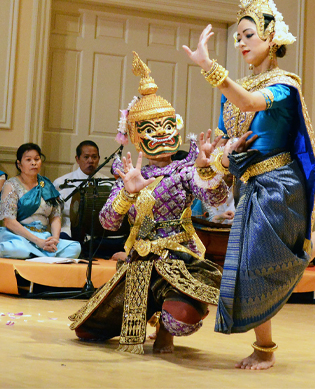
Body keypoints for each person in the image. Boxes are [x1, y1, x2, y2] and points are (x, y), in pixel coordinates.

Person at [182, 0, 315, 370]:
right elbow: (230, 145)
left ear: (271, 38)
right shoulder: (235, 97)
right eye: (238, 37)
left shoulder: (284, 85)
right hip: (251, 185)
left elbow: (248, 103)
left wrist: (208, 68)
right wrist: (213, 155)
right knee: (258, 266)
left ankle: (264, 348)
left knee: (267, 266)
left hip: (281, 185)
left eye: (249, 35)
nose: (241, 43)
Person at [69, 53, 229, 355]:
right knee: (87, 331)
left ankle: (166, 327)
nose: (161, 135)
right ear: (134, 135)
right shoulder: (130, 174)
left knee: (181, 319)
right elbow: (107, 223)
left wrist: (207, 170)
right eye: (150, 129)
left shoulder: (184, 170)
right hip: (138, 261)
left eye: (167, 126)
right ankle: (147, 315)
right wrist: (127, 193)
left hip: (178, 259)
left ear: (177, 127)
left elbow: (216, 199)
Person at [0, 143, 81, 259]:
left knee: (75, 248)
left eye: (37, 159)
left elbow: (55, 216)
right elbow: (9, 222)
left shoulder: (46, 184)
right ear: (19, 164)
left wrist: (54, 239)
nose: (34, 163)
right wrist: (37, 242)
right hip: (18, 236)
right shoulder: (11, 185)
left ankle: (33, 253)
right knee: (20, 248)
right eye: (28, 160)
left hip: (43, 235)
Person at [53, 140, 113, 240]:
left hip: (99, 234)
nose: (90, 161)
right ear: (77, 159)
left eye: (94, 157)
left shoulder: (108, 184)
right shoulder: (61, 183)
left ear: (99, 159)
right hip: (68, 232)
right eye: (86, 157)